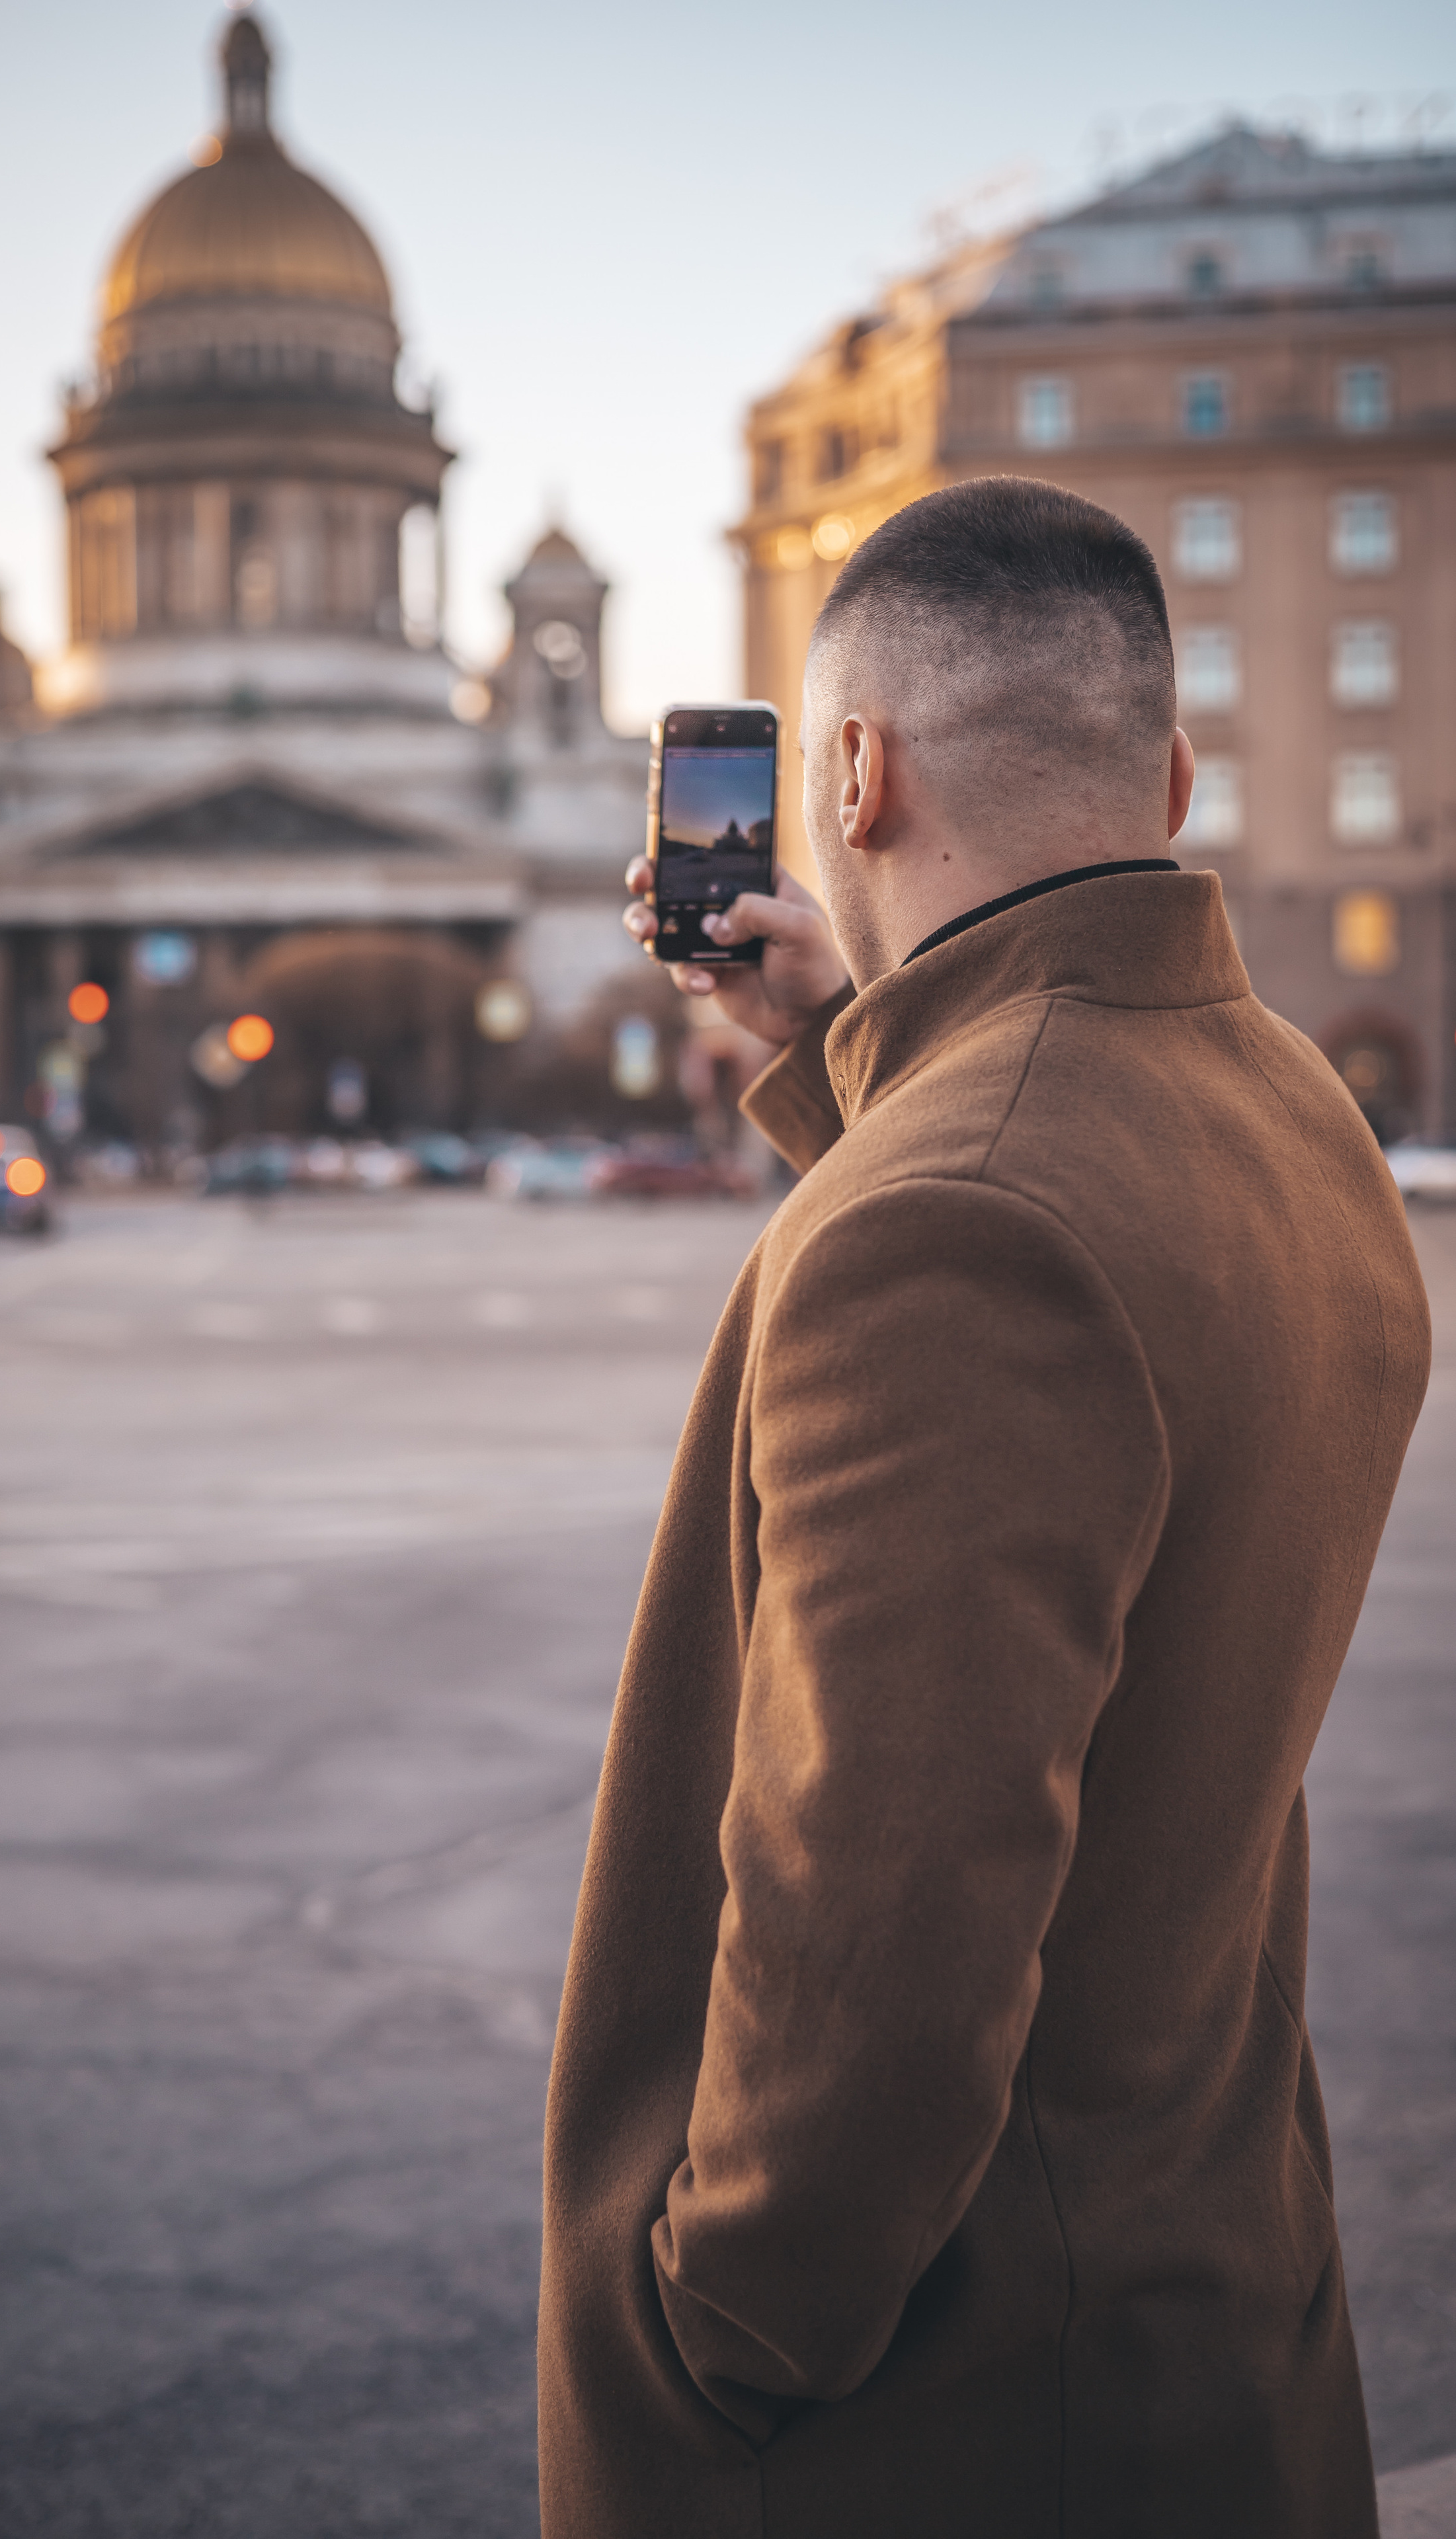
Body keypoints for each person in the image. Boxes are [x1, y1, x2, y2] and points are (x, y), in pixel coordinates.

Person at [537, 479, 1430, 2539]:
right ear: (1178, 776)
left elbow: (887, 1938)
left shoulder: (951, 1222)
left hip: (954, 2424)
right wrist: (839, 1050)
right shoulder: (1298, 1110)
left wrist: (728, 2331)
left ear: (849, 775)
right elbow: (1058, 1187)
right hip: (1207, 2315)